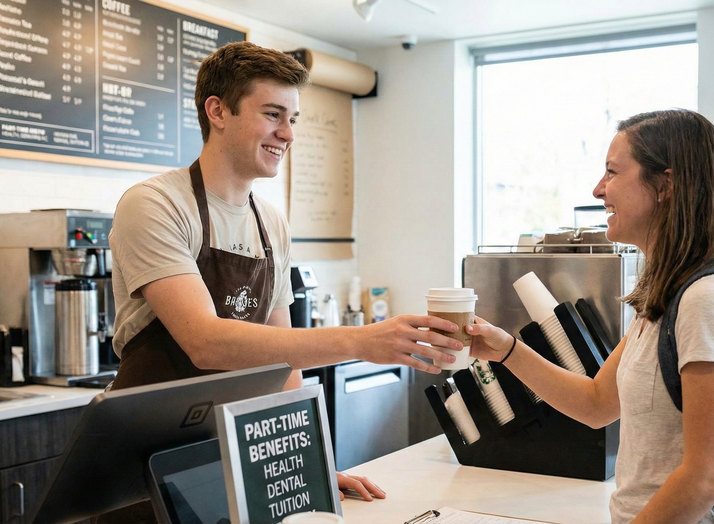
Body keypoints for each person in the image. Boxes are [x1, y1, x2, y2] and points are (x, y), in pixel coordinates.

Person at [104, 41, 462, 521]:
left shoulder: (270, 222)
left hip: (232, 459)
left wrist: (309, 464)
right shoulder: (156, 205)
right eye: (273, 114)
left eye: (293, 119)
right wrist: (360, 341)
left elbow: (283, 356)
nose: (287, 134)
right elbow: (206, 343)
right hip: (148, 468)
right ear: (218, 111)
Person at [467, 109, 714, 524]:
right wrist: (506, 350)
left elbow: (707, 476)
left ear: (665, 184)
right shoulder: (668, 298)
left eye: (612, 172)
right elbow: (596, 404)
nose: (597, 189)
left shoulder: (710, 300)